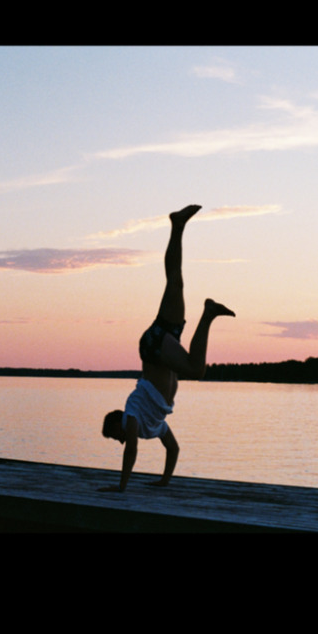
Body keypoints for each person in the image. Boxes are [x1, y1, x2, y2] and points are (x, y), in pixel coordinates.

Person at [99, 204, 234, 492]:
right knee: (176, 281)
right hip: (163, 349)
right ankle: (178, 225)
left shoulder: (133, 412)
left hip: (154, 347)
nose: (119, 440)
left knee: (197, 370)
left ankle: (208, 314)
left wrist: (121, 487)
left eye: (114, 436)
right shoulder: (154, 424)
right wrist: (164, 481)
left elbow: (131, 450)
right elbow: (173, 450)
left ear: (118, 423)